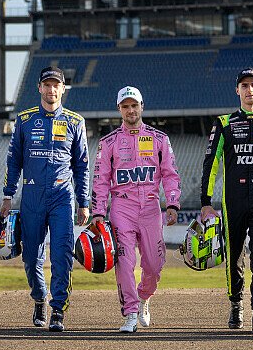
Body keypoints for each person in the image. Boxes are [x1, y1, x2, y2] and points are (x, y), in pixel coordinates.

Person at [0, 66, 90, 332]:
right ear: (39, 88)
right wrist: (7, 195)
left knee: (62, 255)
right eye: (46, 85)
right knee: (30, 257)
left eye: (56, 85)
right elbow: (13, 160)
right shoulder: (25, 120)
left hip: (63, 197)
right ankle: (39, 297)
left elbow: (82, 166)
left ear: (63, 89)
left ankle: (58, 309)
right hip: (32, 197)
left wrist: (83, 202)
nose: (51, 90)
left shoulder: (75, 122)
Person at [201, 67, 253, 334]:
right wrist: (206, 201)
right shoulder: (224, 123)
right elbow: (210, 163)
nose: (250, 89)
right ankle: (236, 304)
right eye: (245, 85)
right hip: (233, 201)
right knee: (234, 257)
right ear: (237, 90)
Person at [91, 86, 181, 333]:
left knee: (154, 264)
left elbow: (170, 174)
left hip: (151, 207)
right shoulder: (108, 143)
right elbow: (100, 180)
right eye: (125, 106)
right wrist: (98, 211)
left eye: (134, 105)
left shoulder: (159, 139)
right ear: (119, 109)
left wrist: (172, 202)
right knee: (125, 261)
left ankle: (144, 297)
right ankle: (130, 313)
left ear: (142, 106)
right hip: (122, 206)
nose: (131, 110)